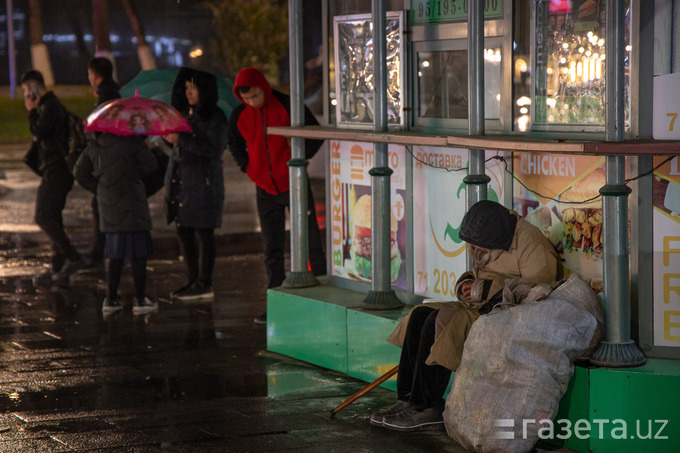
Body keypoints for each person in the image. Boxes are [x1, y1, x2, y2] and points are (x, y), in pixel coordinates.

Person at [371, 200, 559, 432]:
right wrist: (466, 285)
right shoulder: (487, 239)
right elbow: (477, 275)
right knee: (421, 314)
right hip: (480, 306)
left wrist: (483, 288)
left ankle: (427, 406)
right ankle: (407, 399)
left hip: (507, 316)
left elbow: (537, 294)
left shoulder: (531, 244)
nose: (474, 251)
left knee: (440, 323)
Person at [228, 67, 326, 325]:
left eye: (255, 96)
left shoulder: (288, 105)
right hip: (264, 188)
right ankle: (276, 301)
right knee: (271, 247)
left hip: (293, 182)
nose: (251, 102)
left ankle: (324, 297)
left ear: (264, 87)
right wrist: (248, 168)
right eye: (246, 99)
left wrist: (300, 159)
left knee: (310, 240)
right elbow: (234, 143)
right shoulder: (240, 114)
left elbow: (316, 134)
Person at [73, 132, 159, 315]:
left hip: (109, 204)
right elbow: (151, 165)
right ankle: (141, 299)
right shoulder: (133, 142)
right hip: (133, 201)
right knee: (138, 254)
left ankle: (111, 299)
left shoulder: (94, 145)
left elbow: (79, 172)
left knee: (115, 253)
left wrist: (99, 188)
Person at [163, 67, 227, 302]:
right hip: (183, 183)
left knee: (203, 231)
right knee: (184, 230)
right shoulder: (186, 115)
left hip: (204, 184)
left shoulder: (216, 117)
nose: (189, 92)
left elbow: (212, 150)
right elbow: (185, 148)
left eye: (194, 88)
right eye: (187, 88)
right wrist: (172, 140)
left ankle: (204, 282)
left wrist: (181, 138)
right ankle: (191, 280)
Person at [19, 70, 85, 282]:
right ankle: (58, 267)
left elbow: (38, 131)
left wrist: (31, 110)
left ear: (33, 86)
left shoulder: (51, 106)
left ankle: (72, 257)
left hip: (57, 170)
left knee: (43, 216)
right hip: (56, 170)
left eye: (26, 90)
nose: (26, 95)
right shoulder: (49, 106)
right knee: (53, 216)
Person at [85, 57, 121, 267]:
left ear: (95, 76)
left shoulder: (107, 96)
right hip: (112, 157)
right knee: (101, 203)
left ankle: (100, 252)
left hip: (109, 157)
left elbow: (99, 128)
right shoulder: (113, 91)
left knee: (101, 203)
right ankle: (101, 250)